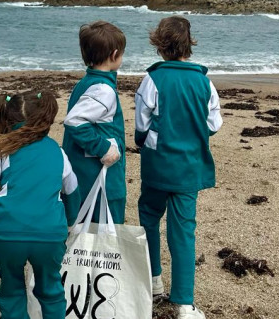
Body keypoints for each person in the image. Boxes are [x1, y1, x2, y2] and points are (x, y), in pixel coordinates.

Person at [0, 91, 80, 319]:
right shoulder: (58, 152)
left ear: (6, 118)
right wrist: (68, 224)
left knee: (11, 291)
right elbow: (73, 191)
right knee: (51, 290)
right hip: (50, 235)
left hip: (6, 236)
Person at [134, 16, 223, 319]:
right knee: (184, 229)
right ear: (189, 45)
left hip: (158, 165)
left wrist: (144, 140)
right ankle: (184, 302)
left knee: (148, 216)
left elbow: (142, 125)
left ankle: (154, 278)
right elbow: (213, 124)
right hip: (189, 167)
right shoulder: (204, 82)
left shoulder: (152, 80)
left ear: (160, 46)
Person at [63, 20, 127, 223]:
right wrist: (104, 148)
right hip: (98, 176)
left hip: (82, 173)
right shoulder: (103, 89)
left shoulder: (85, 83)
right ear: (114, 55)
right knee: (106, 227)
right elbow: (74, 121)